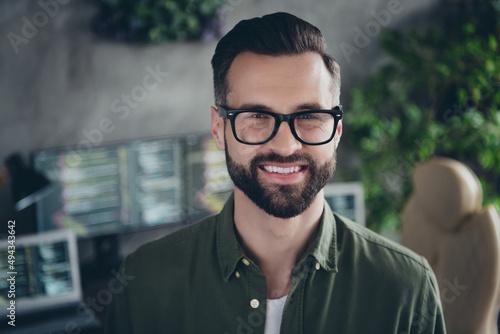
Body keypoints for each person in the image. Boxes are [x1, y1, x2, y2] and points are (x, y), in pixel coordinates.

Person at [105, 12, 446, 334]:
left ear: (337, 130)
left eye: (309, 116)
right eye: (257, 116)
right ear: (219, 128)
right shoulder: (143, 282)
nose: (286, 146)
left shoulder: (406, 288)